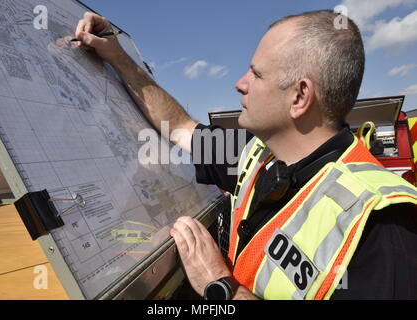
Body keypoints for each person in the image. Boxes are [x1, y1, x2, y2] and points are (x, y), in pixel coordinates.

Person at [74, 10, 417, 300]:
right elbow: (178, 127)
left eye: (256, 73)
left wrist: (220, 285)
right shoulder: (252, 156)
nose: (240, 83)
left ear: (300, 97)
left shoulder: (382, 225)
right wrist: (118, 56)